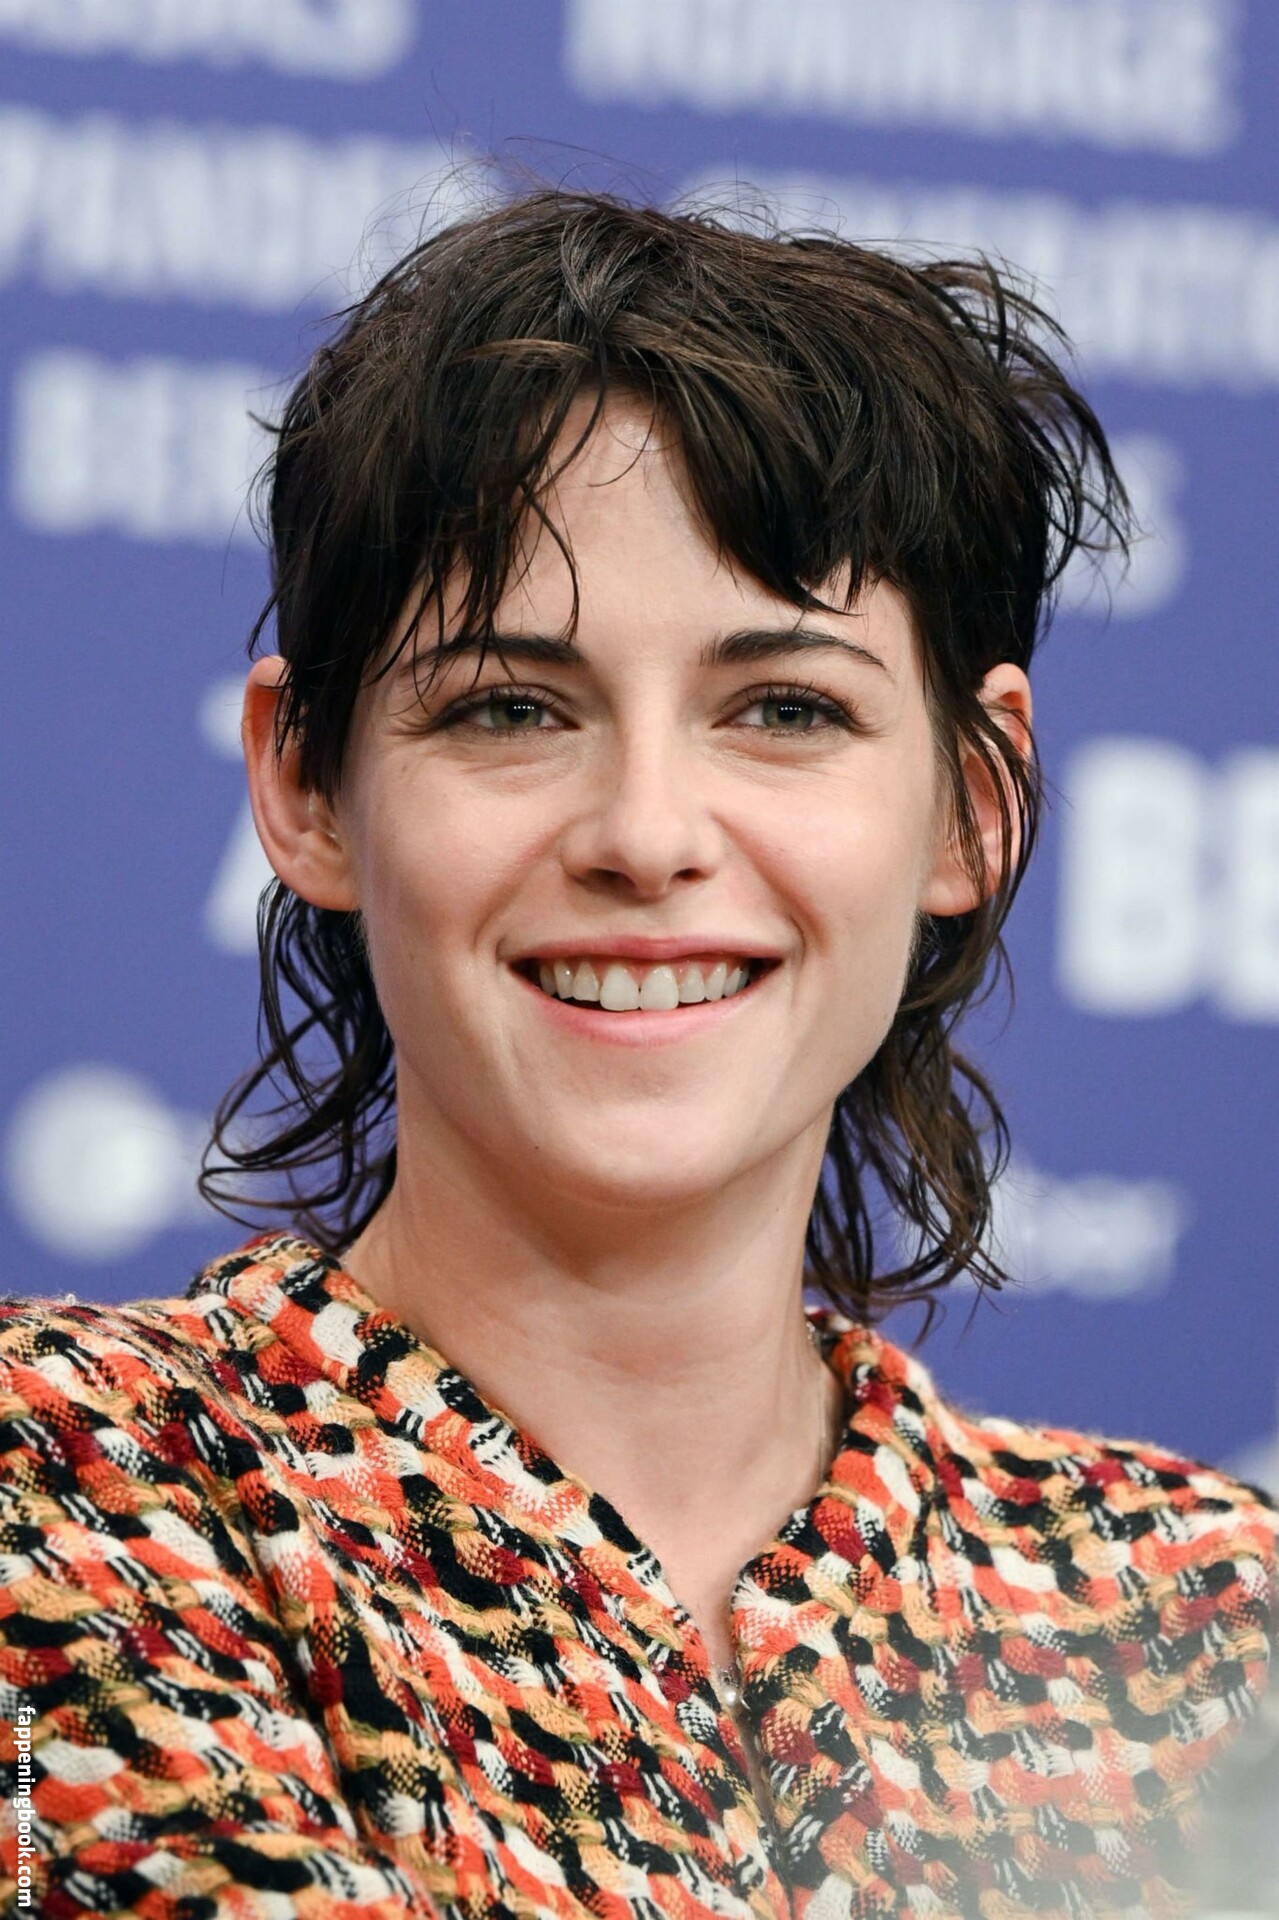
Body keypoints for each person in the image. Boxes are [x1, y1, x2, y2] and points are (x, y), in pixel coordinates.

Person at [0, 190, 1273, 1920]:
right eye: (511, 708)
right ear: (306, 787)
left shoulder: (1211, 1625)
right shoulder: (69, 1494)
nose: (649, 835)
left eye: (786, 709)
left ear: (973, 805)